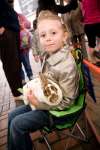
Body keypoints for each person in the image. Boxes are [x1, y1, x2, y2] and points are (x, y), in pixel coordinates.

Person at [8, 10, 80, 150]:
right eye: (43, 35)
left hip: (58, 113)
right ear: (39, 39)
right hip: (46, 102)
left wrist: (39, 104)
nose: (48, 38)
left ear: (64, 36)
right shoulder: (49, 55)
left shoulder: (66, 65)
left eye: (53, 33)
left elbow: (67, 102)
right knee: (12, 115)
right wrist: (35, 88)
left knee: (17, 124)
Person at [0, 0, 22, 100]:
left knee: (16, 62)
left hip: (12, 29)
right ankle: (17, 93)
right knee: (11, 63)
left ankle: (19, 90)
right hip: (5, 32)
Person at [79, 0, 100, 65]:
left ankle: (93, 61)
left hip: (88, 25)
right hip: (97, 22)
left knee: (91, 44)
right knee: (93, 44)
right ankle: (96, 53)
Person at [18, 15, 33, 85]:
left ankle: (30, 76)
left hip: (23, 52)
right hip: (20, 52)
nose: (21, 24)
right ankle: (23, 79)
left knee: (27, 64)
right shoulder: (20, 32)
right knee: (20, 66)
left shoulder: (24, 32)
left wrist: (28, 47)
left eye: (21, 23)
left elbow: (25, 44)